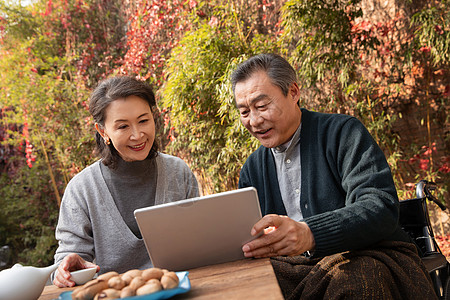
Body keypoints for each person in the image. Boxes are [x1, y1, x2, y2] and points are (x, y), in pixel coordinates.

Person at [231, 53, 436, 299]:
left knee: (355, 281)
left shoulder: (343, 133)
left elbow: (379, 208)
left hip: (368, 255)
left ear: (294, 92)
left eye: (262, 106)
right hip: (296, 269)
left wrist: (310, 233)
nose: (254, 121)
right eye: (244, 112)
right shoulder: (253, 168)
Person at [52, 76, 199, 287]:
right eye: (123, 127)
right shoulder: (81, 189)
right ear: (104, 132)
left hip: (178, 289)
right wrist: (66, 268)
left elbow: (198, 239)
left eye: (143, 121)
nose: (138, 135)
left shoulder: (178, 172)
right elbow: (68, 260)